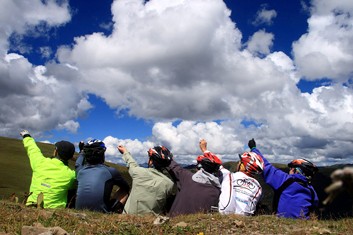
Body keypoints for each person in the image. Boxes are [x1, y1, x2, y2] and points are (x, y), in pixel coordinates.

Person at [248, 138, 319, 219]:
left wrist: (253, 148)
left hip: (281, 222)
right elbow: (313, 208)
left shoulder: (284, 180)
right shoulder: (312, 191)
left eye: (291, 168)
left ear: (296, 170)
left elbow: (265, 165)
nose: (290, 170)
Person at [20, 130, 76, 208]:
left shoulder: (40, 163)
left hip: (31, 206)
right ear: (70, 157)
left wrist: (26, 136)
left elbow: (32, 149)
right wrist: (77, 160)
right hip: (55, 211)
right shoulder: (71, 175)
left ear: (56, 152)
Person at [166, 139, 222, 217]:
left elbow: (174, 166)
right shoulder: (218, 190)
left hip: (173, 224)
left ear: (199, 167)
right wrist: (205, 150)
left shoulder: (187, 178)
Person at [117, 145, 175, 215]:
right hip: (152, 221)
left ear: (151, 161)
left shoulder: (138, 172)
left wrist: (125, 152)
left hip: (127, 218)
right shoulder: (170, 184)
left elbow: (131, 164)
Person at [75, 139, 130, 213]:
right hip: (101, 213)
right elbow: (126, 187)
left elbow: (78, 163)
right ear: (102, 154)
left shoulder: (80, 170)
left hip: (79, 212)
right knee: (125, 191)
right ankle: (115, 213)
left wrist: (82, 152)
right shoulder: (111, 171)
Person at [218, 151, 264, 215]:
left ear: (242, 166)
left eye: (240, 162)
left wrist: (205, 150)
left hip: (225, 214)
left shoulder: (230, 176)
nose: (238, 163)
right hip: (245, 218)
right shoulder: (258, 187)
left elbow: (219, 167)